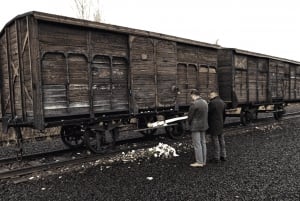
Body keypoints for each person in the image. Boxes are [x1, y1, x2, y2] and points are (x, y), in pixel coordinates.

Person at [188, 89, 209, 167]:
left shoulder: (194, 104)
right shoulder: (205, 102)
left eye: (191, 96)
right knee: (203, 143)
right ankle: (204, 161)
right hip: (204, 125)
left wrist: (189, 123)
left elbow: (190, 116)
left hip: (195, 126)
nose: (191, 97)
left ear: (193, 95)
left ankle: (199, 162)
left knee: (197, 144)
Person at [208, 91, 227, 163]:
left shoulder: (212, 103)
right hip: (220, 124)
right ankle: (223, 156)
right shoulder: (222, 102)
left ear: (213, 95)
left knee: (215, 141)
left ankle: (216, 157)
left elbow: (208, 114)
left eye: (210, 95)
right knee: (222, 140)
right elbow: (224, 114)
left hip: (213, 125)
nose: (209, 96)